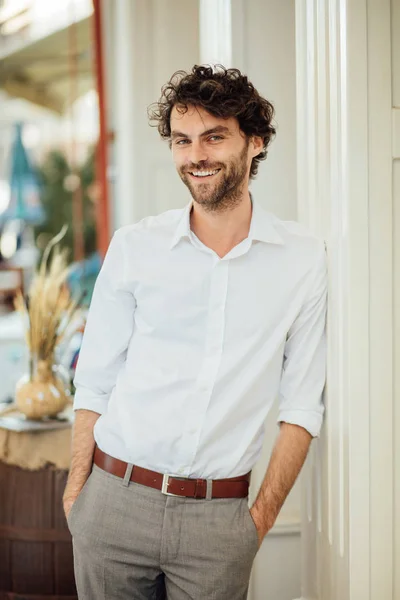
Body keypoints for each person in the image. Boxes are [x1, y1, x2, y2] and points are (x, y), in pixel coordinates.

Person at [63, 64, 328, 600]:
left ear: (254, 143)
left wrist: (256, 523)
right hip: (113, 504)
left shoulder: (302, 259)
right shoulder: (136, 247)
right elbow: (94, 383)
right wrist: (77, 499)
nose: (196, 156)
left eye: (214, 137)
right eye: (182, 141)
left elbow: (301, 406)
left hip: (220, 524)